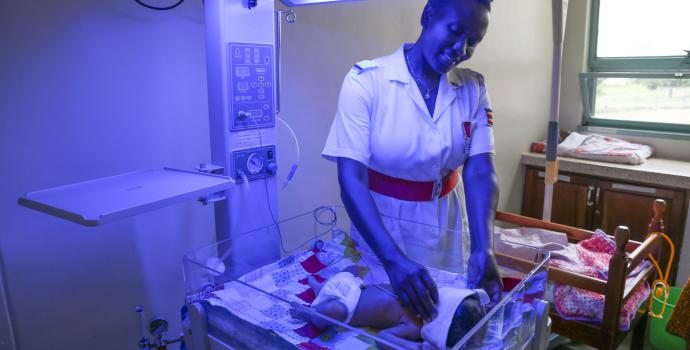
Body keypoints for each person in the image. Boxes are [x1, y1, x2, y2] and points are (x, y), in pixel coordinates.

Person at [321, 0, 502, 322]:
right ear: (428, 15)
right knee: (383, 309)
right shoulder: (366, 81)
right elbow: (351, 178)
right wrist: (392, 259)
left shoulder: (472, 87)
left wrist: (482, 247)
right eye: (455, 31)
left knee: (441, 319)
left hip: (445, 218)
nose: (461, 49)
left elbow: (480, 171)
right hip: (383, 221)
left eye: (473, 42)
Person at [291, 265, 487, 350]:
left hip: (347, 307)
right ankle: (320, 286)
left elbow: (382, 338)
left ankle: (309, 312)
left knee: (332, 312)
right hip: (355, 284)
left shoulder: (414, 327)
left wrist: (414, 347)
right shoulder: (428, 291)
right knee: (351, 269)